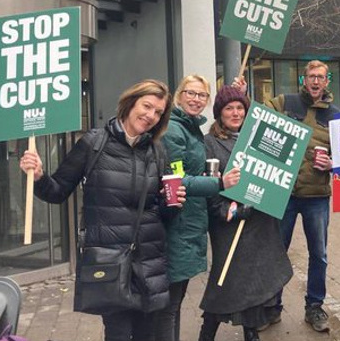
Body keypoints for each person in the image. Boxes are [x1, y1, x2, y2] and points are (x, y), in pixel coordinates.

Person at [19, 79, 179, 341]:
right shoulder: (94, 143)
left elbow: (165, 215)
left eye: (158, 112)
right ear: (130, 104)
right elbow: (57, 191)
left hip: (149, 263)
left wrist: (172, 203)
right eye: (147, 106)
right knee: (117, 334)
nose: (150, 115)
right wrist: (38, 177)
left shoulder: (158, 152)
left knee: (147, 335)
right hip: (110, 261)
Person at [198, 86, 293, 341]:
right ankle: (207, 332)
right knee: (225, 281)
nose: (236, 112)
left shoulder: (257, 139)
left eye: (240, 107)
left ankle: (251, 331)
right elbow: (211, 188)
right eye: (229, 108)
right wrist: (233, 210)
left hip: (260, 225)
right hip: (229, 224)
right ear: (219, 113)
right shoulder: (209, 143)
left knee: (254, 281)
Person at [156, 75, 241, 341]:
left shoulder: (190, 128)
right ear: (179, 96)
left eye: (202, 95)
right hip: (178, 221)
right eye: (190, 93)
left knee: (176, 299)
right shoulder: (174, 129)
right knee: (169, 303)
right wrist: (219, 182)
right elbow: (175, 179)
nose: (196, 99)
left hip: (189, 220)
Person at [265, 59, 339, 332]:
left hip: (317, 196)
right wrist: (241, 94)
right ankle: (271, 306)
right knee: (277, 252)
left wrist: (333, 163)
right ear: (303, 80)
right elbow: (257, 119)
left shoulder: (335, 114)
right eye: (312, 76)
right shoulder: (284, 103)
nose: (316, 81)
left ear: (327, 80)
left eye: (321, 77)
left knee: (318, 254)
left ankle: (314, 307)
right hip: (283, 193)